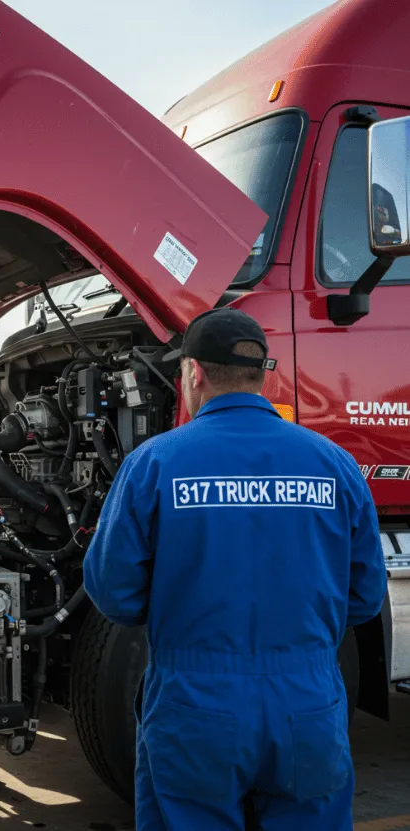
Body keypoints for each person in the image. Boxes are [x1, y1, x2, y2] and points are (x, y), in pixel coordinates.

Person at [83, 309, 387, 831]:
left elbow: (115, 594)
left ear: (195, 372)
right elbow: (364, 596)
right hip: (307, 702)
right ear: (261, 373)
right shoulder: (335, 464)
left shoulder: (154, 463)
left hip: (195, 704)